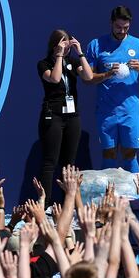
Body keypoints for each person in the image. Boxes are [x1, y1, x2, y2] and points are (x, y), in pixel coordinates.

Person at [85, 6, 139, 173]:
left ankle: (136, 197)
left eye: (126, 28)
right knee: (108, 154)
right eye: (118, 27)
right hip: (106, 110)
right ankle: (107, 197)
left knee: (130, 153)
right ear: (111, 23)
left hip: (130, 110)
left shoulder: (138, 45)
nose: (122, 31)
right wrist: (108, 74)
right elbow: (88, 79)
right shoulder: (96, 45)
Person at [37, 30, 94, 199]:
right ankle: (45, 203)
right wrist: (60, 56)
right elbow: (54, 78)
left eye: (68, 44)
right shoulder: (44, 64)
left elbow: (89, 76)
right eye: (63, 44)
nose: (66, 47)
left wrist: (80, 52)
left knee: (69, 164)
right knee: (50, 162)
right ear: (54, 46)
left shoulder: (73, 61)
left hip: (72, 116)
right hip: (53, 115)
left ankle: (66, 203)